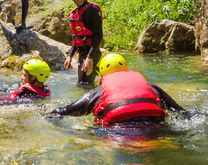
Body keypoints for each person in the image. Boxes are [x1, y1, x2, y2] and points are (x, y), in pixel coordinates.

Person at [51, 53, 182, 124]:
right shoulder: (150, 85)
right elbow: (178, 110)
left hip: (118, 131)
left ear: (102, 73)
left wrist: (50, 113)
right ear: (126, 67)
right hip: (155, 125)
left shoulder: (98, 91)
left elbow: (68, 111)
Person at [63, 0, 103, 85]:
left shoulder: (92, 10)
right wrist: (70, 56)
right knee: (82, 83)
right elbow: (76, 38)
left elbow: (98, 35)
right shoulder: (74, 12)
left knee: (84, 84)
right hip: (82, 54)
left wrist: (90, 58)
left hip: (92, 54)